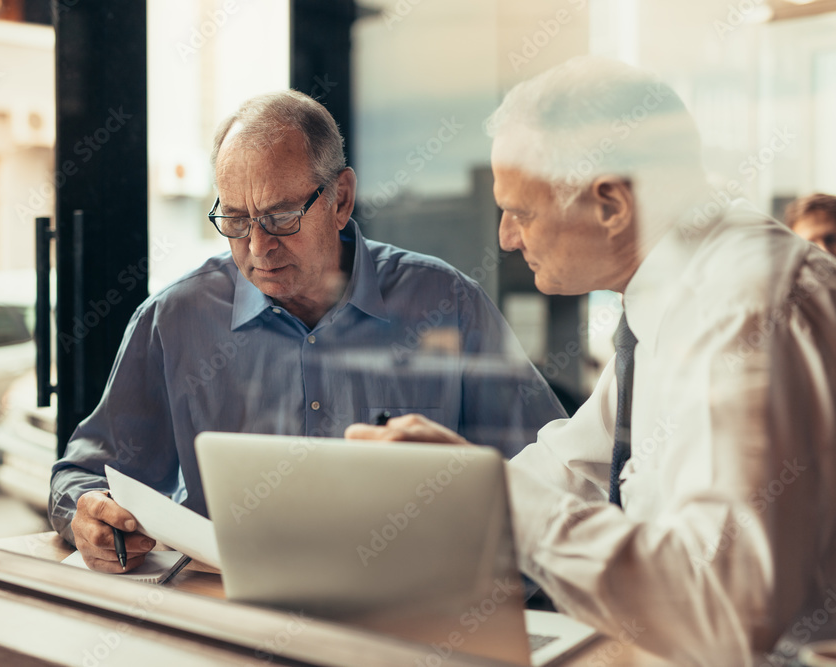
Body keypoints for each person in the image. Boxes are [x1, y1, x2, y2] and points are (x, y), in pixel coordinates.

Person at [347, 57, 836, 665]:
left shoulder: (745, 310)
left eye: (520, 212)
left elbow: (726, 614)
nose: (505, 237)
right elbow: (575, 463)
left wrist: (493, 497)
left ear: (610, 204)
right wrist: (421, 501)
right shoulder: (670, 293)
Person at [50, 90, 565, 572]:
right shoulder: (175, 320)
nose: (257, 248)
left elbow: (556, 478)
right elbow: (83, 476)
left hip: (410, 612)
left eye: (280, 218)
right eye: (234, 219)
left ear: (341, 199)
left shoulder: (448, 306)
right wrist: (88, 514)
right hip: (225, 616)